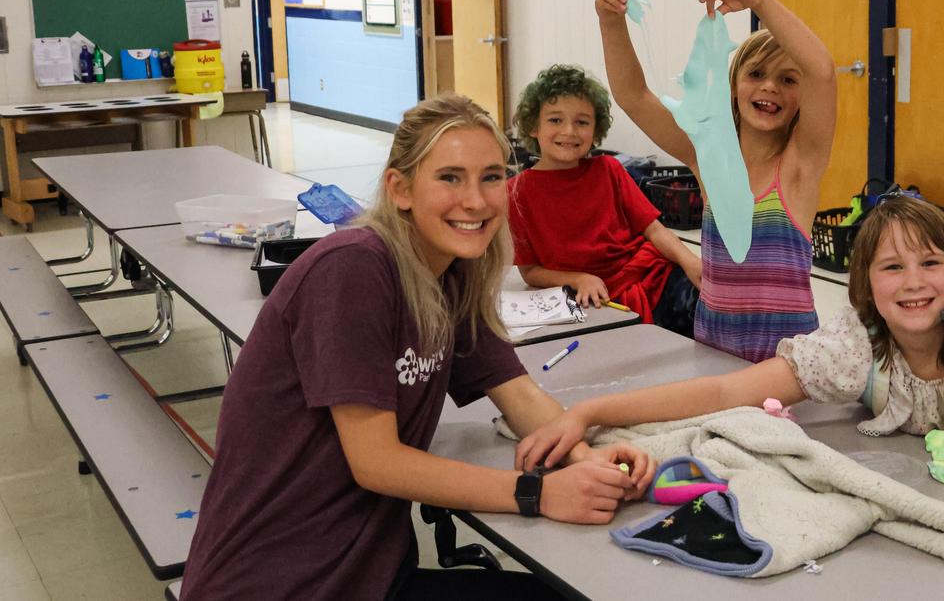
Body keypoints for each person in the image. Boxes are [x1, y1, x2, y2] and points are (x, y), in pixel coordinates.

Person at [181, 94, 655, 600]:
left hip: (370, 574)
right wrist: (537, 493)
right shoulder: (352, 269)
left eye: (492, 177)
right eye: (450, 177)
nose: (475, 200)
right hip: (278, 584)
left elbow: (518, 395)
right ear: (400, 188)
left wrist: (588, 464)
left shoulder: (452, 275)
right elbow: (377, 462)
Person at [516, 195, 944, 469]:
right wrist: (593, 413)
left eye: (930, 264)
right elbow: (723, 393)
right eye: (891, 267)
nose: (913, 284)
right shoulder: (858, 345)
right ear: (864, 287)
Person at [595, 0, 836, 362]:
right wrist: (610, 21)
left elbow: (822, 72)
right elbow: (633, 96)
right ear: (733, 85)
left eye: (788, 79)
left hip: (788, 365)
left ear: (801, 97)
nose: (770, 87)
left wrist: (758, 1)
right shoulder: (708, 155)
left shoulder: (798, 166)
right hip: (714, 353)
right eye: (756, 74)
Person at [507, 63, 702, 325]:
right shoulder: (516, 193)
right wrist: (579, 279)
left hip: (651, 277)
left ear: (595, 129)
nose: (569, 131)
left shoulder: (609, 169)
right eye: (555, 120)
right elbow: (530, 272)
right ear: (533, 126)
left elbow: (655, 231)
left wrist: (691, 262)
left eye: (582, 122)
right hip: (594, 300)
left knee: (709, 310)